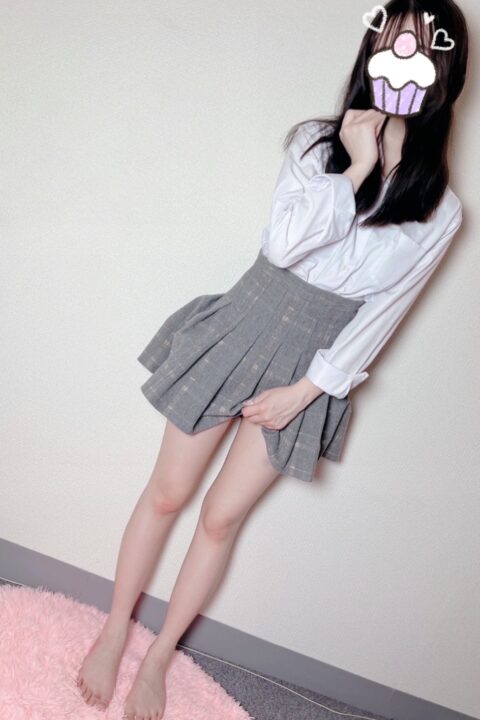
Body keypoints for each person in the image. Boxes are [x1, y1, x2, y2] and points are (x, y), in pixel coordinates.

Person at [76, 1, 468, 718]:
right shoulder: (317, 143)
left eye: (419, 49)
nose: (401, 61)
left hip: (313, 367)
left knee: (221, 520)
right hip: (246, 320)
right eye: (390, 44)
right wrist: (355, 166)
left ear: (446, 71)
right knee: (167, 494)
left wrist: (307, 390)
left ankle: (159, 658)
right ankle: (113, 632)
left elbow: (383, 316)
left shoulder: (440, 210)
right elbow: (283, 246)